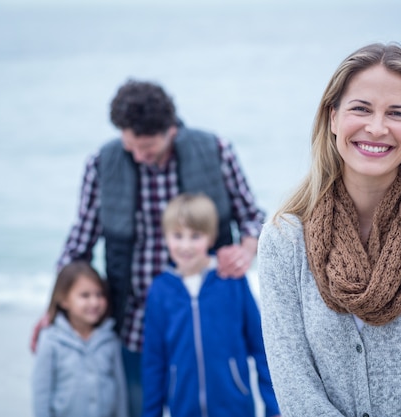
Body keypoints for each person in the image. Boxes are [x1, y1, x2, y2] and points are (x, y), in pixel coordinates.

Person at [257, 42, 401, 417]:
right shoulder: (284, 239)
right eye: (361, 109)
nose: (377, 127)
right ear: (332, 119)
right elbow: (293, 384)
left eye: (396, 113)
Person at [31, 79, 266, 417]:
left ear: (171, 129)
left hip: (204, 315)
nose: (139, 156)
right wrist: (53, 308)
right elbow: (79, 243)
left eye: (148, 147)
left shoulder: (216, 150)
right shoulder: (101, 164)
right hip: (134, 324)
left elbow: (253, 217)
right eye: (131, 146)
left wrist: (246, 249)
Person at [141, 193, 280, 417]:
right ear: (165, 238)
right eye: (177, 236)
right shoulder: (160, 291)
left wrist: (274, 406)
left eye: (195, 236)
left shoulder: (232, 281)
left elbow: (261, 346)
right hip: (183, 409)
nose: (185, 245)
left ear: (211, 237)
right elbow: (154, 361)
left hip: (235, 406)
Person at [32, 261, 128, 417]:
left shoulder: (110, 340)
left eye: (100, 294)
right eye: (85, 295)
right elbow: (42, 395)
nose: (94, 302)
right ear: (63, 300)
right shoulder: (50, 341)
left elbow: (120, 392)